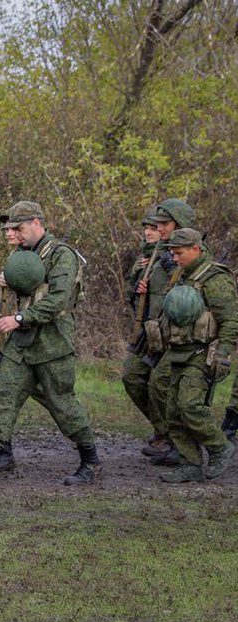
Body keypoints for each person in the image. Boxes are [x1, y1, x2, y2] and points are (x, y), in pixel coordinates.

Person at [0, 201, 99, 487]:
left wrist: (19, 317)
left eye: (18, 228)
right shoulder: (23, 255)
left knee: (62, 404)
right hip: (21, 344)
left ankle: (90, 460)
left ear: (37, 223)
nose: (13, 234)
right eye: (10, 229)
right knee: (1, 396)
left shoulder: (61, 255)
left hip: (52, 343)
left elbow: (58, 300)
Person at [149, 228, 237, 483]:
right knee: (173, 410)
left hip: (202, 351)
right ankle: (190, 464)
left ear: (196, 249)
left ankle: (219, 447)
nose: (175, 259)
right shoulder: (181, 276)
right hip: (179, 351)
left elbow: (230, 320)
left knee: (190, 405)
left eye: (179, 253)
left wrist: (223, 352)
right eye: (173, 254)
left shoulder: (214, 277)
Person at [121, 202, 180, 462]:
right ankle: (164, 430)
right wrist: (137, 285)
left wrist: (172, 268)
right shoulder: (151, 256)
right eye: (149, 227)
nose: (152, 231)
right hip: (148, 331)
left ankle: (176, 440)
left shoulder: (182, 252)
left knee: (161, 386)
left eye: (158, 226)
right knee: (132, 377)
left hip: (173, 332)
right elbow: (130, 297)